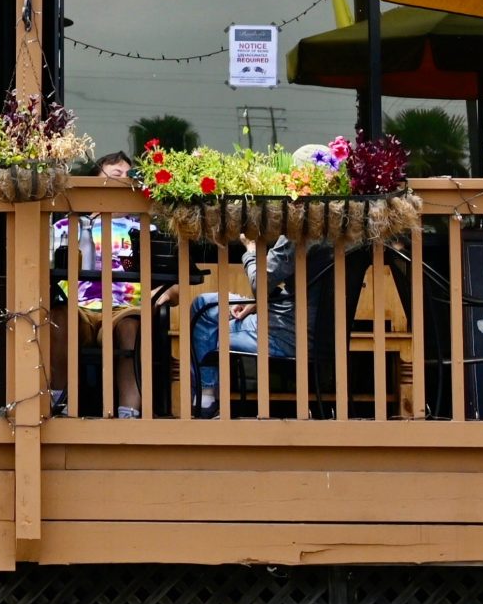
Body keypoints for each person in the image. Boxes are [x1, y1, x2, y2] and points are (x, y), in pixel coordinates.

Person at [47, 151, 160, 417]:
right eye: (114, 175)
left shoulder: (142, 228)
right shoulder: (68, 226)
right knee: (59, 318)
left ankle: (128, 413)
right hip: (77, 306)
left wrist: (158, 297)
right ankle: (58, 403)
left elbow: (168, 280)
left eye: (128, 176)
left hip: (124, 307)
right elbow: (46, 268)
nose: (123, 181)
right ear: (94, 184)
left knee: (130, 327)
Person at [187, 236, 335, 418]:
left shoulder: (298, 232)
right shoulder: (350, 236)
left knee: (203, 313)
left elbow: (260, 282)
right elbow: (308, 289)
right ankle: (211, 399)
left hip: (283, 334)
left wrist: (251, 250)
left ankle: (206, 401)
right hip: (326, 337)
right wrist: (260, 302)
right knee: (205, 302)